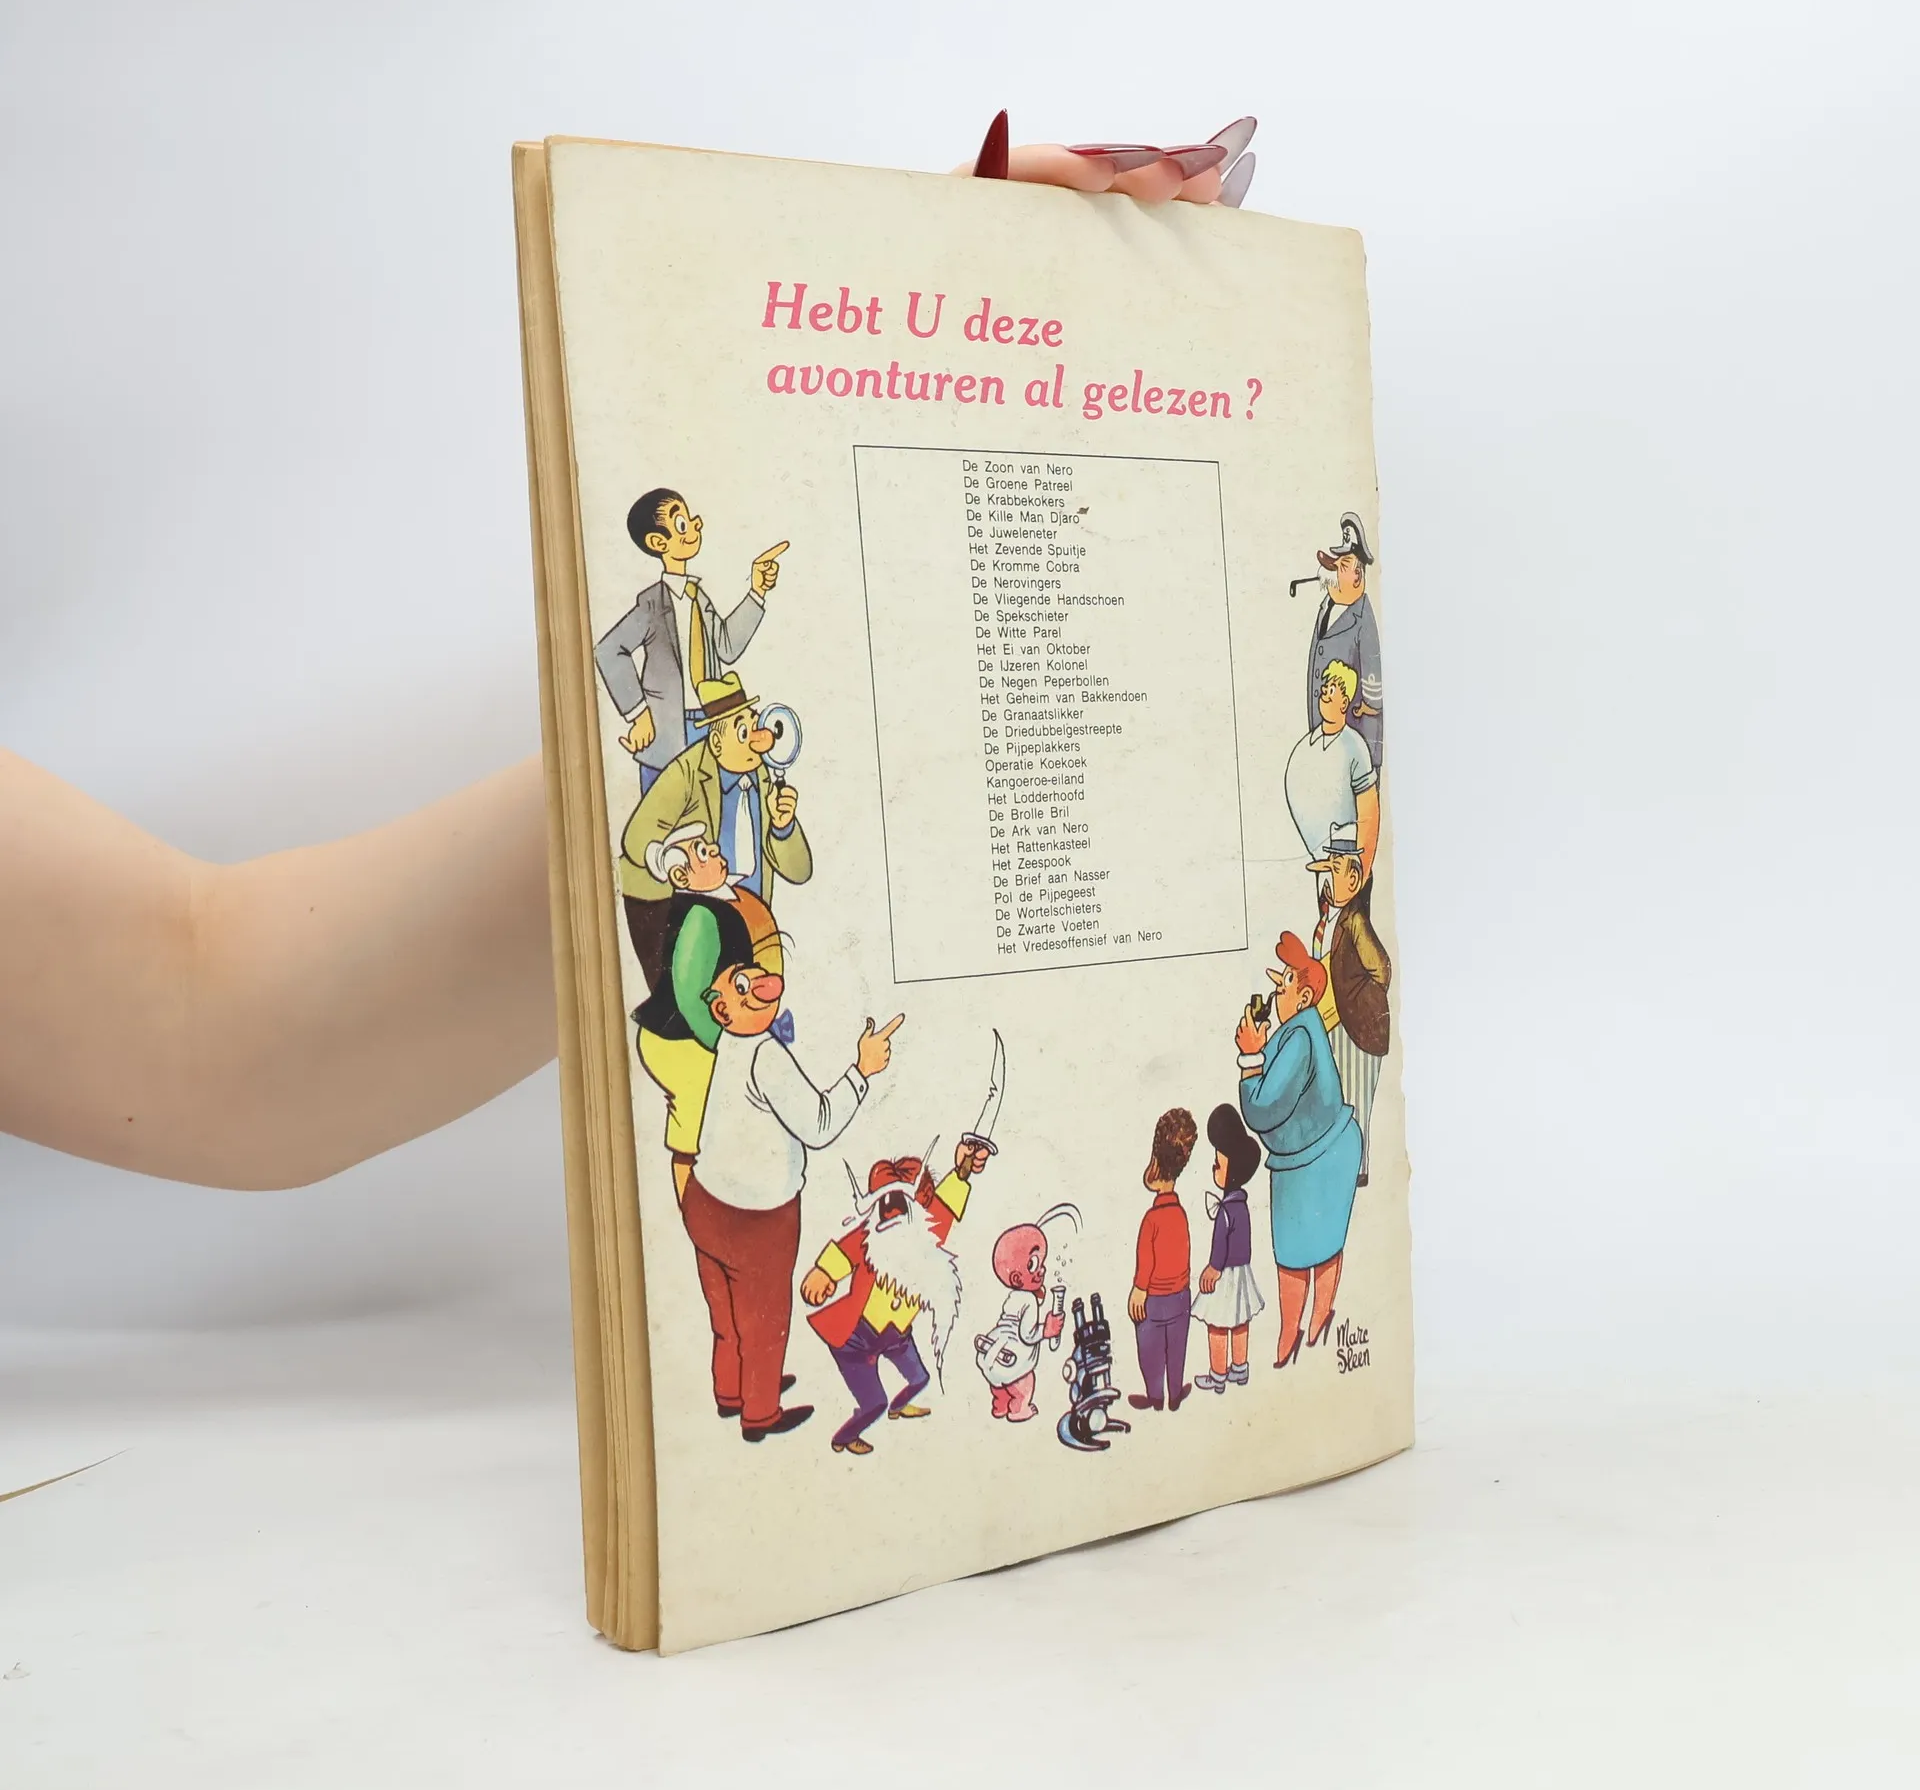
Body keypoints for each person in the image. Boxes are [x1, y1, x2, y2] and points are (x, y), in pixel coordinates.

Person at [0, 121, 1252, 1194]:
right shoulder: (657, 621)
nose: (692, 533)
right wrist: (652, 732)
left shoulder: (713, 652)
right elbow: (621, 664)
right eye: (685, 524)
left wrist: (857, 481)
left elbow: (210, 1028)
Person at [684, 948, 902, 1443]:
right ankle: (759, 1414)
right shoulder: (765, 1055)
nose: (758, 983)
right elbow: (819, 1125)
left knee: (727, 1315)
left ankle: (733, 1391)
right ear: (722, 1009)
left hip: (705, 1202)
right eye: (741, 985)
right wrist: (862, 1071)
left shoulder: (732, 1042)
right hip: (756, 1220)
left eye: (752, 974)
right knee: (764, 1322)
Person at [617, 672, 812, 992]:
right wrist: (676, 863)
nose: (757, 738)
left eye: (754, 722)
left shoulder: (763, 776)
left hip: (748, 918)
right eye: (744, 731)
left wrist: (783, 826)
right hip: (683, 918)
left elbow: (800, 871)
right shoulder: (688, 771)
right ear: (717, 743)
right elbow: (636, 837)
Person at [799, 1140, 990, 1455]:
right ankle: (843, 1438)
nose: (893, 1212)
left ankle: (898, 1408)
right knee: (874, 1403)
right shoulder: (870, 1238)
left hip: (896, 1336)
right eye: (887, 1203)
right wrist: (824, 1273)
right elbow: (843, 1252)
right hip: (856, 1339)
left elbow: (947, 1200)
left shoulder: (929, 1231)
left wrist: (963, 1169)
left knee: (920, 1379)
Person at [593, 490, 788, 794]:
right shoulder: (652, 604)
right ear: (658, 543)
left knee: (711, 815)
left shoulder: (699, 598)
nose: (696, 524)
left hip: (711, 726)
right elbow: (609, 650)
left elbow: (726, 647)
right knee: (663, 817)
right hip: (666, 736)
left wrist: (757, 592)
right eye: (681, 523)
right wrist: (638, 713)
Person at [630, 820, 781, 1200]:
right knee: (694, 1126)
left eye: (710, 846)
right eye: (702, 852)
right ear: (682, 876)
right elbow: (689, 993)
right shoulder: (700, 915)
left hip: (693, 1035)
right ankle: (689, 1205)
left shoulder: (718, 906)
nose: (715, 850)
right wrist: (719, 1045)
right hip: (679, 1038)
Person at [1236, 934, 1363, 1368]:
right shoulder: (1300, 1028)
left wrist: (1250, 1057)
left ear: (1305, 996)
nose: (1277, 989)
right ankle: (1312, 1326)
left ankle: (1296, 1334)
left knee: (1295, 1255)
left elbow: (1263, 1108)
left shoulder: (1300, 1038)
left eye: (1286, 981)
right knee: (1321, 1247)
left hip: (1315, 1161)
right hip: (1324, 1154)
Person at [1307, 824, 1392, 1187]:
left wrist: (1357, 1000)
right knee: (1337, 1100)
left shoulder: (1355, 920)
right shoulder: (1332, 917)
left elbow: (1382, 970)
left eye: (1335, 870)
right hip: (1336, 1025)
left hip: (1357, 1030)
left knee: (1354, 1102)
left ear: (1354, 878)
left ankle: (1356, 1171)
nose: (1328, 878)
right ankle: (1345, 1167)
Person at [1191, 1103, 1266, 1393]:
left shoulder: (1225, 1210)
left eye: (1218, 1165)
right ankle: (1240, 1368)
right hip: (1241, 1273)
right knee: (1240, 1321)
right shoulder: (1242, 1205)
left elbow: (1220, 1245)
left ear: (1230, 1171)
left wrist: (1213, 1268)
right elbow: (1245, 1244)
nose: (1214, 1169)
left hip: (1224, 1274)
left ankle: (1218, 1374)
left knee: (1218, 1324)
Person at [1127, 1107, 1197, 1413]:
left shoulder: (1152, 1219)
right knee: (1176, 1350)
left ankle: (1156, 1397)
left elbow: (1146, 1260)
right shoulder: (1180, 1214)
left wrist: (1139, 1289)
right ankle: (1174, 1394)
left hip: (1154, 1300)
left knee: (1151, 1351)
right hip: (1180, 1297)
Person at [1303, 512, 1384, 774]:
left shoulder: (1363, 619)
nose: (1332, 571)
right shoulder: (1327, 606)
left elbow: (1373, 687)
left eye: (1341, 566)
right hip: (1324, 738)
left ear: (1357, 576)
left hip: (1354, 748)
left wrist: (1369, 706)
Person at [1283, 660, 1380, 876]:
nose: (1324, 693)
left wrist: (1360, 872)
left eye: (1332, 690)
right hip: (1317, 864)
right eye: (1325, 688)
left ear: (1344, 703)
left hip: (1346, 867)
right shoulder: (1305, 745)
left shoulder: (1355, 746)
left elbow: (1369, 813)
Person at [974, 1211, 1072, 1422]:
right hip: (1012, 1360)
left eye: (1042, 1262)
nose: (1042, 1270)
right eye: (1034, 1265)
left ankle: (1000, 1404)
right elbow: (1027, 1335)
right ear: (1018, 1278)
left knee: (1000, 1386)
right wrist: (1046, 1330)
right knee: (1025, 1384)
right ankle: (1019, 1409)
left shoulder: (1015, 1296)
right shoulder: (1028, 1301)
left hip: (992, 1353)